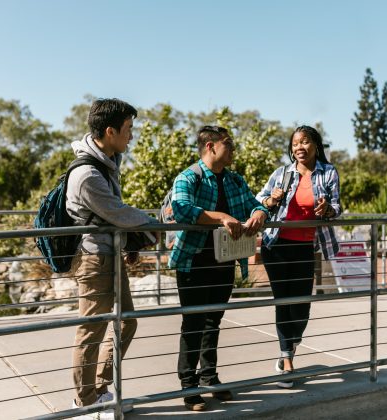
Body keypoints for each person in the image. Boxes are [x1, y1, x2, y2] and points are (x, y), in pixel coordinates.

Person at [66, 98, 156, 417]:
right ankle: (84, 402)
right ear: (110, 130)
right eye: (128, 129)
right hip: (93, 260)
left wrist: (131, 242)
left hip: (109, 255)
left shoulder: (107, 162)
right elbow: (117, 212)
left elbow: (114, 216)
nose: (131, 136)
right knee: (90, 331)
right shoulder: (88, 173)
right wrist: (154, 224)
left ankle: (100, 388)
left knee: (126, 321)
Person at [169, 125, 269, 411]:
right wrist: (223, 216)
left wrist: (260, 212)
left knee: (214, 321)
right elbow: (182, 209)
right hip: (194, 261)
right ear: (210, 146)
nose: (233, 149)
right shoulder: (189, 177)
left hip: (224, 261)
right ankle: (189, 387)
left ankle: (210, 377)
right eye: (228, 143)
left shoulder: (234, 181)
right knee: (193, 323)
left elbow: (255, 205)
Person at [255, 125, 342, 389]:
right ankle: (287, 362)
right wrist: (271, 200)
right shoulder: (281, 174)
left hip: (306, 248)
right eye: (295, 144)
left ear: (316, 145)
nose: (299, 148)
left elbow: (337, 208)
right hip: (277, 246)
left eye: (304, 142)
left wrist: (327, 208)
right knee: (284, 302)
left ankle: (289, 347)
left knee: (302, 306)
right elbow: (258, 201)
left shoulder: (328, 173)